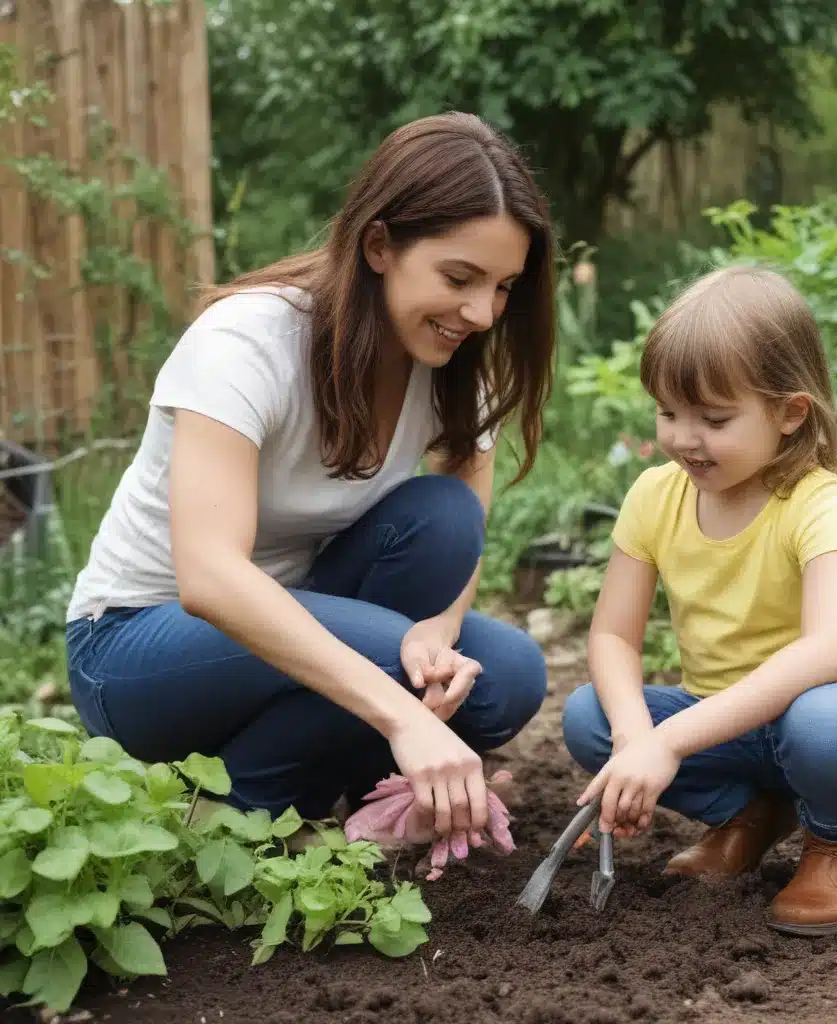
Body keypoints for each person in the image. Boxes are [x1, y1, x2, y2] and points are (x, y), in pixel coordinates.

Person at [64, 112, 554, 846]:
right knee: (393, 664)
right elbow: (208, 577)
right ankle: (235, 815)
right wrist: (403, 713)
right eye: (460, 278)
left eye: (504, 287)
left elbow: (465, 506)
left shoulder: (446, 363)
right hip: (138, 648)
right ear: (380, 245)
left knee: (502, 670)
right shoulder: (247, 343)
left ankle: (349, 792)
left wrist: (440, 638)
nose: (481, 313)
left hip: (293, 624)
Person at [561, 265, 837, 937]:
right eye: (668, 413)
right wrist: (637, 738)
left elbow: (827, 651)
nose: (684, 438)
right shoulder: (655, 496)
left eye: (714, 419)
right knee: (588, 717)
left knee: (824, 727)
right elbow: (612, 638)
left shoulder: (816, 500)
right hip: (724, 721)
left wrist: (669, 742)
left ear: (788, 413)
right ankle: (749, 814)